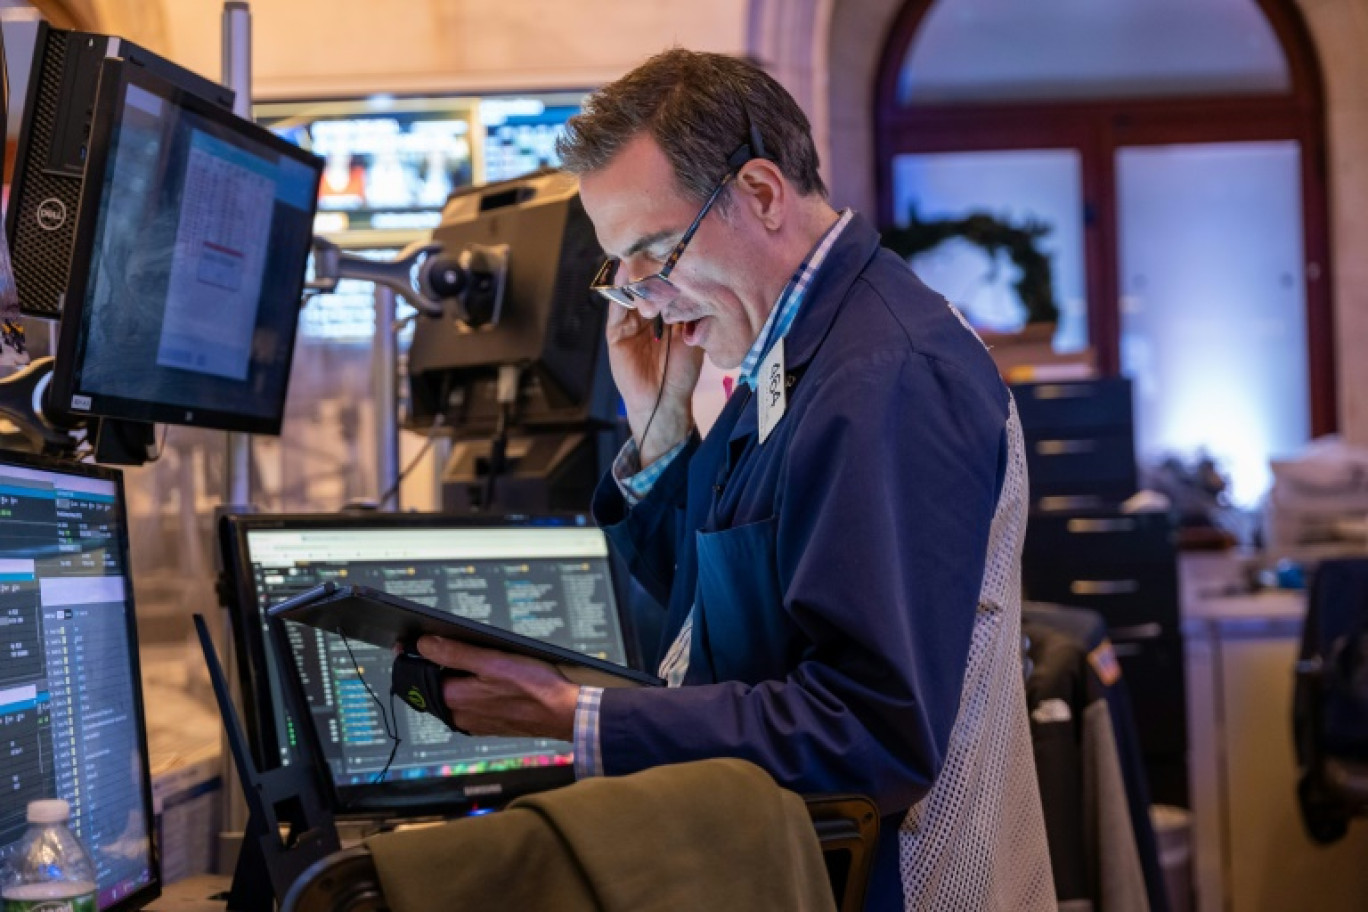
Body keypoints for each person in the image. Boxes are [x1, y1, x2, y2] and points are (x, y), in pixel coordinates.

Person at [415, 49, 1054, 909]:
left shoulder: (885, 375)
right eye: (621, 268)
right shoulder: (791, 356)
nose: (641, 299)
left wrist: (574, 715)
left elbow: (870, 733)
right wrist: (664, 429)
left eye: (654, 252)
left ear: (760, 193)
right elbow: (703, 617)